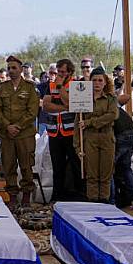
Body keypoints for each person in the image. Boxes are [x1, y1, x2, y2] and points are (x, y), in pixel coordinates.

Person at [0, 56, 39, 208]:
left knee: (26, 165)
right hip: (7, 135)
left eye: (14, 68)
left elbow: (32, 111)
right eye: (9, 68)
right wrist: (8, 126)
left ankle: (26, 196)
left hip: (25, 134)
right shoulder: (2, 88)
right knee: (9, 165)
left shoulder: (29, 87)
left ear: (21, 69)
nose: (11, 71)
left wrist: (18, 126)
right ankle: (12, 196)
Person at [74, 68, 118, 202]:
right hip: (90, 138)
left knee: (105, 174)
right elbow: (77, 124)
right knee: (91, 174)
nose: (97, 83)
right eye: (94, 80)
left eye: (100, 80)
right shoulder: (82, 99)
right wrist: (77, 146)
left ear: (105, 83)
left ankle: (104, 203)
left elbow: (112, 116)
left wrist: (90, 122)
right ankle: (93, 203)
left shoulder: (111, 99)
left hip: (106, 137)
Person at [43, 58, 83, 201]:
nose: (59, 75)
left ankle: (80, 195)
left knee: (76, 165)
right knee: (57, 167)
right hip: (54, 132)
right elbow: (46, 106)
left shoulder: (77, 85)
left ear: (70, 72)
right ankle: (57, 196)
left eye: (63, 72)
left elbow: (72, 103)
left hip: (72, 132)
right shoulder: (51, 85)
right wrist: (64, 107)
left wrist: (60, 89)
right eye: (58, 72)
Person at [112, 96, 133, 210]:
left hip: (120, 134)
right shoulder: (115, 105)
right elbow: (126, 97)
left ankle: (112, 201)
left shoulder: (106, 105)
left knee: (110, 168)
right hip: (132, 133)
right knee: (126, 167)